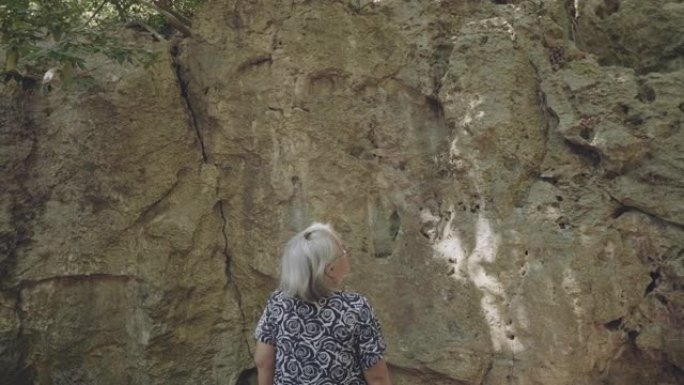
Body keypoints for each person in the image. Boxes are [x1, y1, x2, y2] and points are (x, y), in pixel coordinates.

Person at [254, 222, 392, 385]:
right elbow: (376, 375)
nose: (347, 255)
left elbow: (263, 361)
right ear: (330, 269)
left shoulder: (278, 303)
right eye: (343, 252)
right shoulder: (355, 307)